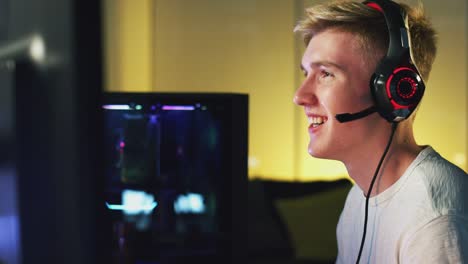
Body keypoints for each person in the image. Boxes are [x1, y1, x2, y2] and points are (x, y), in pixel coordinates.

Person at [293, 0, 468, 263]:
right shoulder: (359, 198)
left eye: (326, 74)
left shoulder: (434, 220)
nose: (300, 96)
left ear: (393, 91)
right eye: (307, 73)